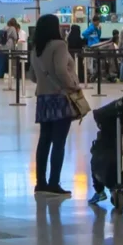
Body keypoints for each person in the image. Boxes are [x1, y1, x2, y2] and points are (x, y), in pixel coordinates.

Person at [28, 14, 80, 197]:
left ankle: (40, 182)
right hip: (60, 98)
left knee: (44, 141)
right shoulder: (59, 45)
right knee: (59, 142)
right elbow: (60, 69)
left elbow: (32, 76)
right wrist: (72, 84)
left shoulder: (36, 48)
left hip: (43, 99)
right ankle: (54, 183)